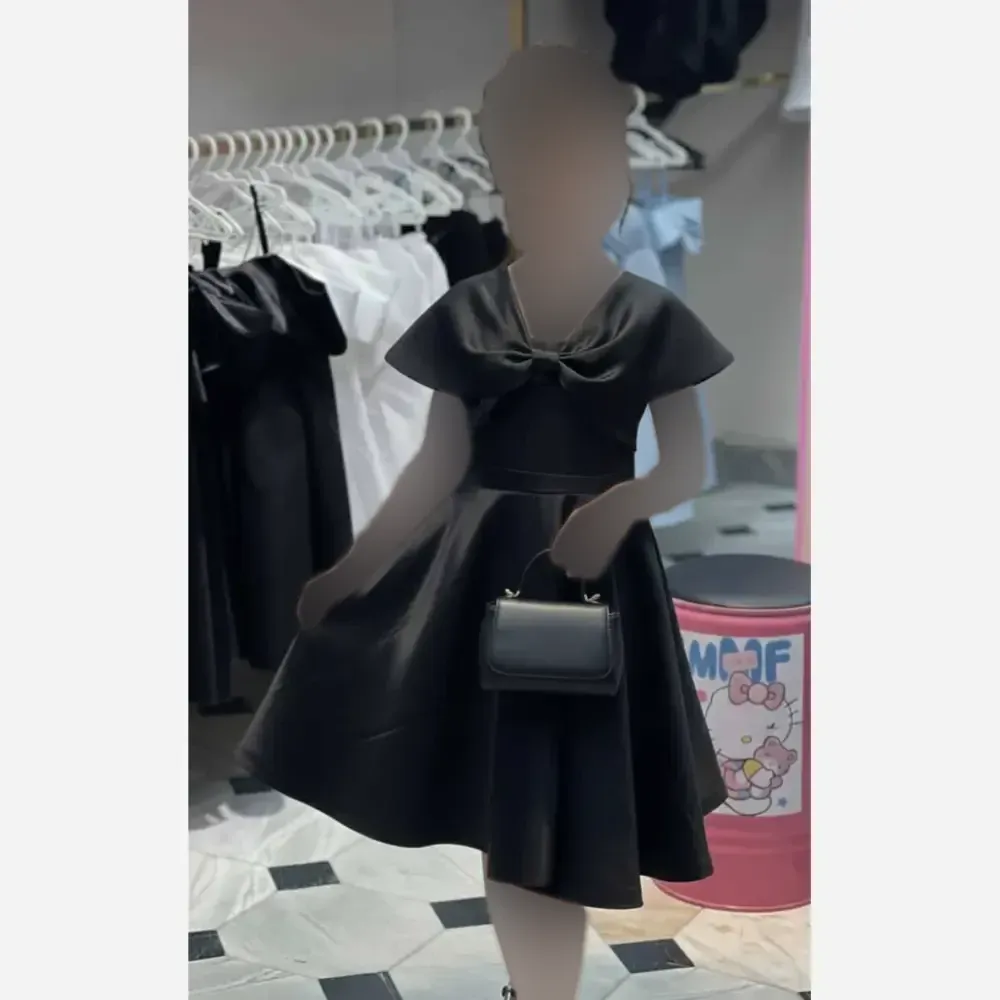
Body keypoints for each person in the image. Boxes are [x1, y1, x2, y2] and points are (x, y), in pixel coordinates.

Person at [239, 45, 732, 1000]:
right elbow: (437, 465)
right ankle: (533, 990)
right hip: (479, 572)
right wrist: (352, 572)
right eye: (531, 169)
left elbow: (687, 465)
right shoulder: (468, 310)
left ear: (616, 175)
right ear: (504, 178)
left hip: (598, 580)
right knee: (511, 798)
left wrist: (618, 508)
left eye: (580, 166)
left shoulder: (653, 316)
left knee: (568, 792)